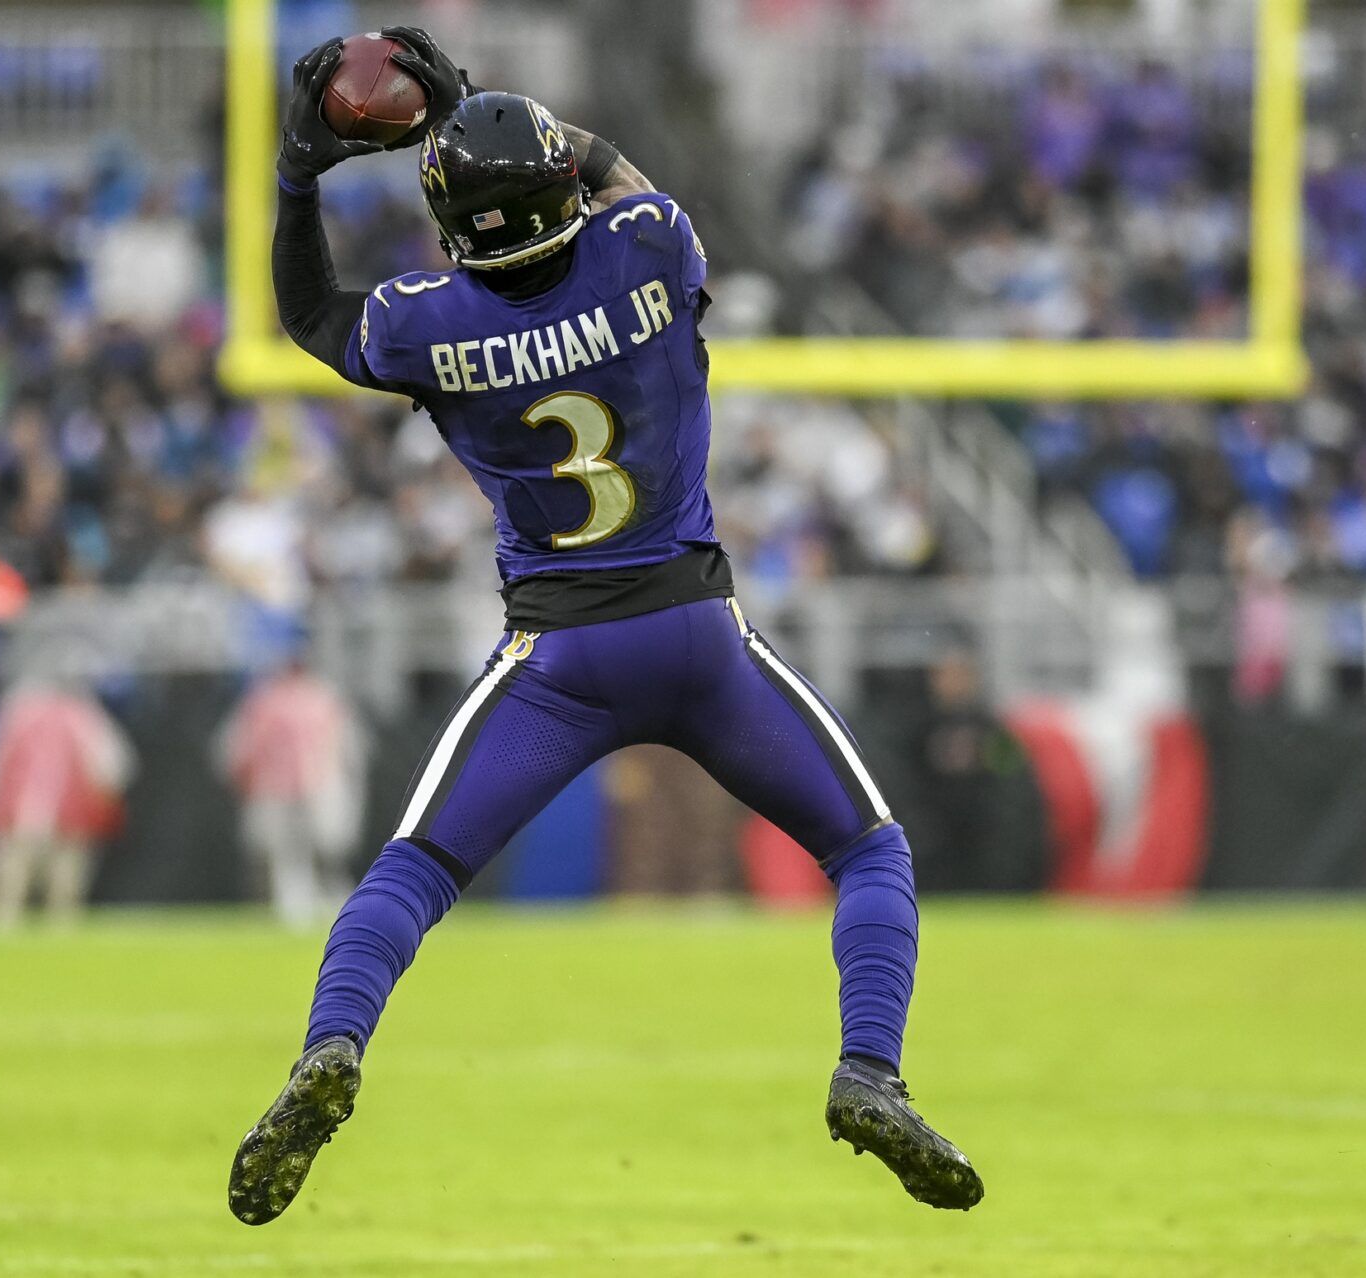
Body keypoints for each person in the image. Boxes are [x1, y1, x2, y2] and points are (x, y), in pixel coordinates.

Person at [228, 27, 981, 1224]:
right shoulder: (648, 244)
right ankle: (868, 1069)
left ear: (454, 228)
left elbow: (314, 315)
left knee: (412, 871)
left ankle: (331, 1050)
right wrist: (487, 112)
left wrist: (296, 177)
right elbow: (607, 168)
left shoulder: (430, 323)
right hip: (695, 631)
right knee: (868, 850)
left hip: (558, 656)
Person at [0, 672, 134, 928]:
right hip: (64, 817)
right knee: (57, 891)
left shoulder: (19, 711)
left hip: (30, 815)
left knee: (14, 888)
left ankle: (3, 937)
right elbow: (112, 767)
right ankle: (53, 937)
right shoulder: (79, 714)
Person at [217, 653, 366, 926]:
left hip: (316, 784)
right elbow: (240, 749)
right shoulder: (265, 700)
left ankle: (333, 908)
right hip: (281, 788)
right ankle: (297, 912)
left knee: (323, 855)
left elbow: (348, 747)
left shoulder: (323, 698)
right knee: (287, 855)